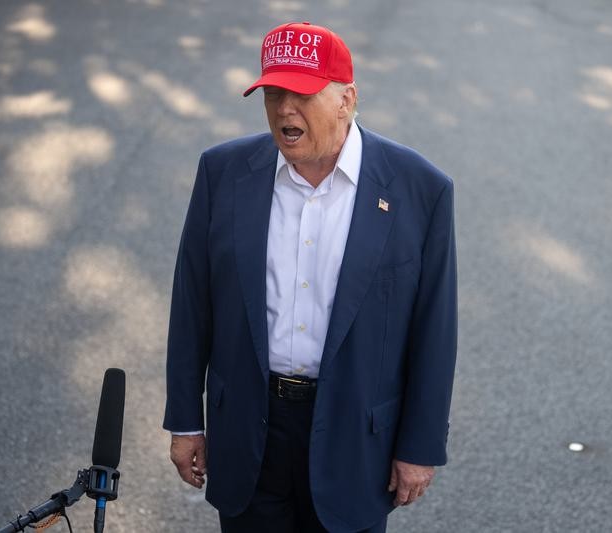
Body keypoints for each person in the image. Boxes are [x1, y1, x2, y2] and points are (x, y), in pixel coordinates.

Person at [164, 21, 457, 533]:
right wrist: (186, 421)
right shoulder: (222, 172)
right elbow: (192, 306)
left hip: (355, 436)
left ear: (346, 100)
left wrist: (420, 446)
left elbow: (435, 330)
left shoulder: (420, 189)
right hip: (249, 429)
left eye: (301, 95)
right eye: (273, 94)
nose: (284, 110)